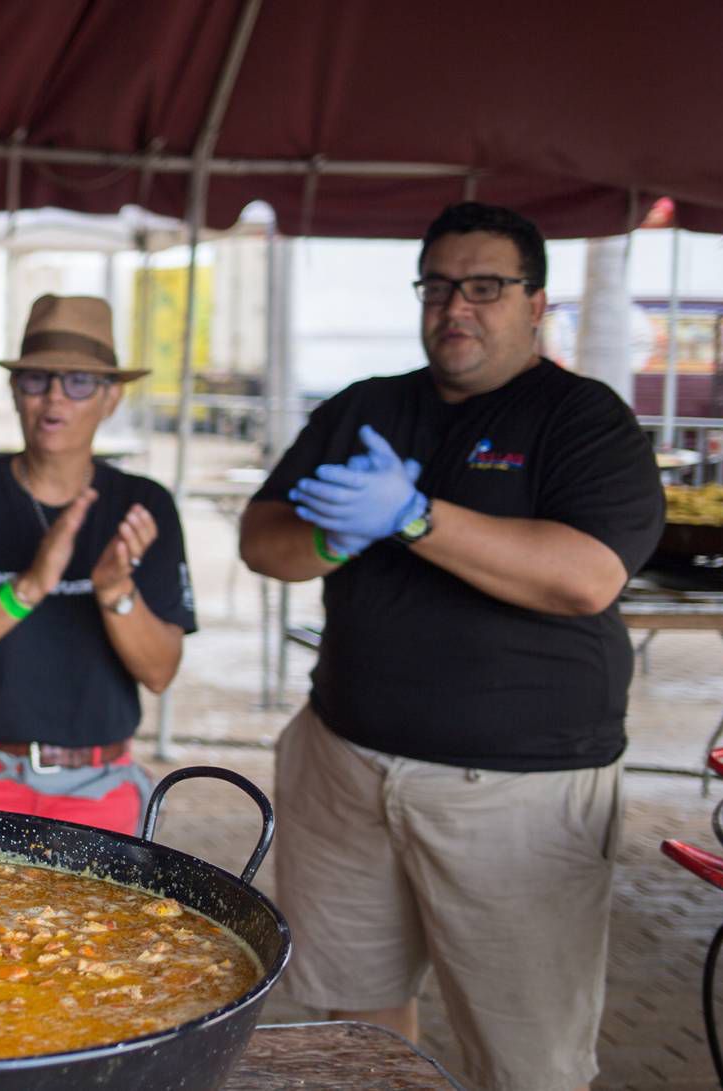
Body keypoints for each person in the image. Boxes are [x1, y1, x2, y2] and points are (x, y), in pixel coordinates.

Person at [238, 202, 663, 1091]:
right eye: (437, 286)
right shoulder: (368, 405)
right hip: (346, 762)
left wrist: (413, 515)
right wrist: (335, 537)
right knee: (359, 1026)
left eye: (484, 287)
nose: (455, 307)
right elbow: (263, 540)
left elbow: (585, 576)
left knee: (527, 1053)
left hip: (516, 791)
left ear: (536, 302)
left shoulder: (584, 420)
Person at [0, 295, 194, 834]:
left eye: (79, 381)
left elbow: (159, 672)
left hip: (95, 787)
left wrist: (115, 593)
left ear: (111, 398)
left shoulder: (143, 506)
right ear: (15, 391)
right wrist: (30, 586)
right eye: (36, 378)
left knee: (98, 925)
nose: (55, 396)